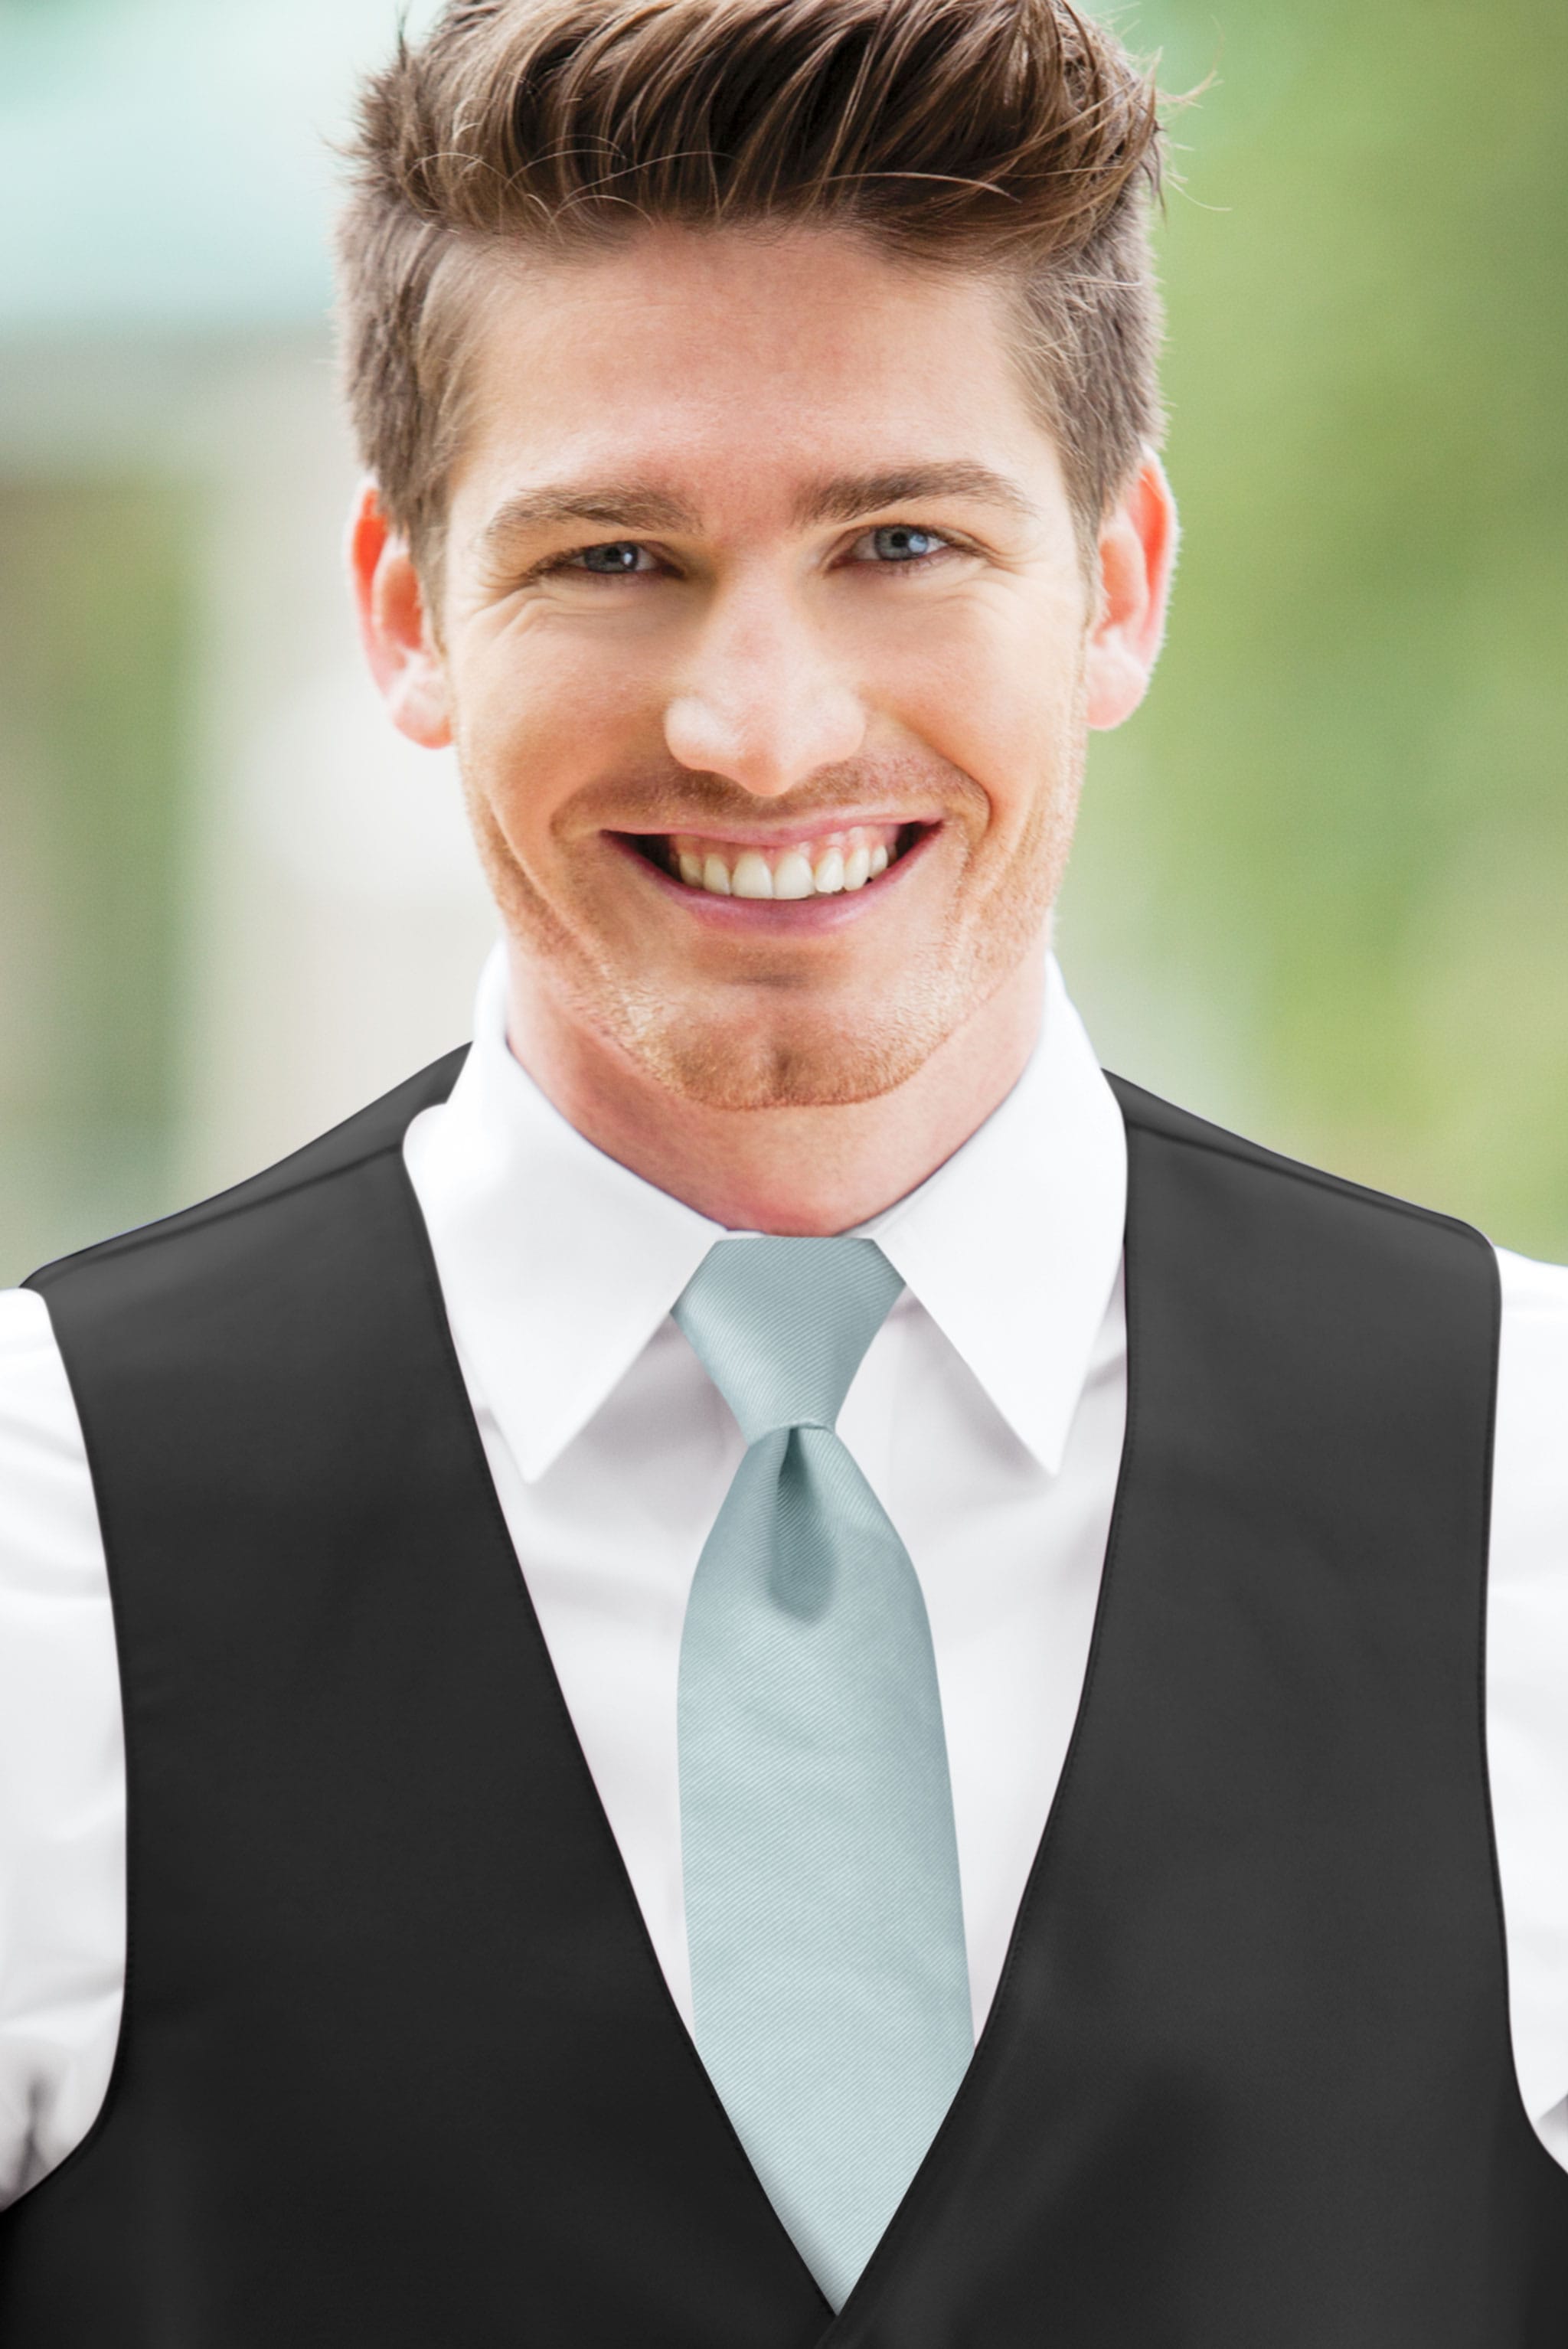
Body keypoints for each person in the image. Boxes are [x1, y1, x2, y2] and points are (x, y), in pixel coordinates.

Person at [0, 0, 1565, 2336]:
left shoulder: (1541, 1477)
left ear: (1118, 583)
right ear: (407, 608)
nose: (762, 726)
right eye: (616, 553)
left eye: (904, 539)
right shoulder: (34, 1527)